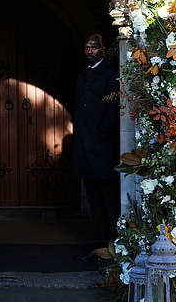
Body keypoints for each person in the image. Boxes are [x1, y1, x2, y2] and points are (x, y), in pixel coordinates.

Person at [72, 33, 121, 248]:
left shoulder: (110, 73)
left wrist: (98, 135)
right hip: (85, 149)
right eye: (86, 48)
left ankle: (114, 245)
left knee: (108, 200)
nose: (89, 51)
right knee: (94, 202)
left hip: (102, 149)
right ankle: (99, 247)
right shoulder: (82, 75)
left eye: (93, 47)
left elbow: (112, 109)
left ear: (102, 49)